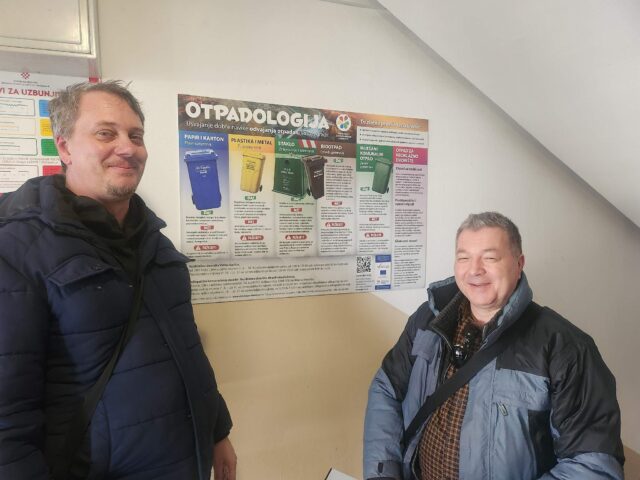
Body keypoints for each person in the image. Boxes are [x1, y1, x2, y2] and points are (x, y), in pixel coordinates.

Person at [0, 81, 237, 479]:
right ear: (64, 148)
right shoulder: (17, 248)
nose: (127, 148)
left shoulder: (155, 241)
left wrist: (218, 431)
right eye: (106, 134)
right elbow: (7, 416)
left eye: (136, 136)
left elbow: (186, 347)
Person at [363, 212, 624, 480]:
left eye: (490, 258)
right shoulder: (428, 320)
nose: (474, 270)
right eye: (464, 258)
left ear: (519, 264)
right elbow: (387, 388)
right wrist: (383, 473)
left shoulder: (565, 348)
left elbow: (593, 466)